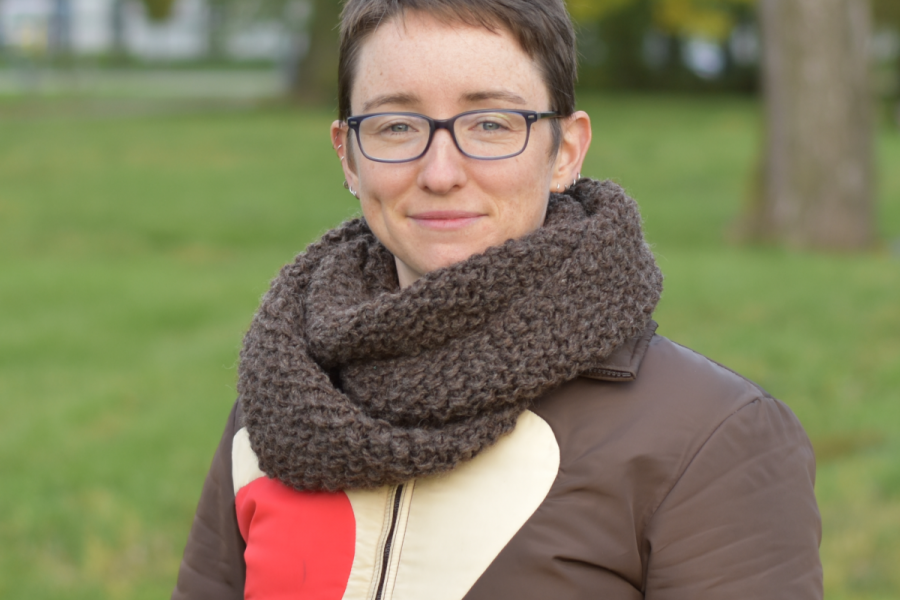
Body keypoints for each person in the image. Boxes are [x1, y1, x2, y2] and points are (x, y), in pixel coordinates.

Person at [172, 0, 823, 598]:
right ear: (349, 156)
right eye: (397, 126)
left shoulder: (707, 437)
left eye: (489, 123)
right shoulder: (284, 400)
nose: (441, 172)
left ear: (565, 149)